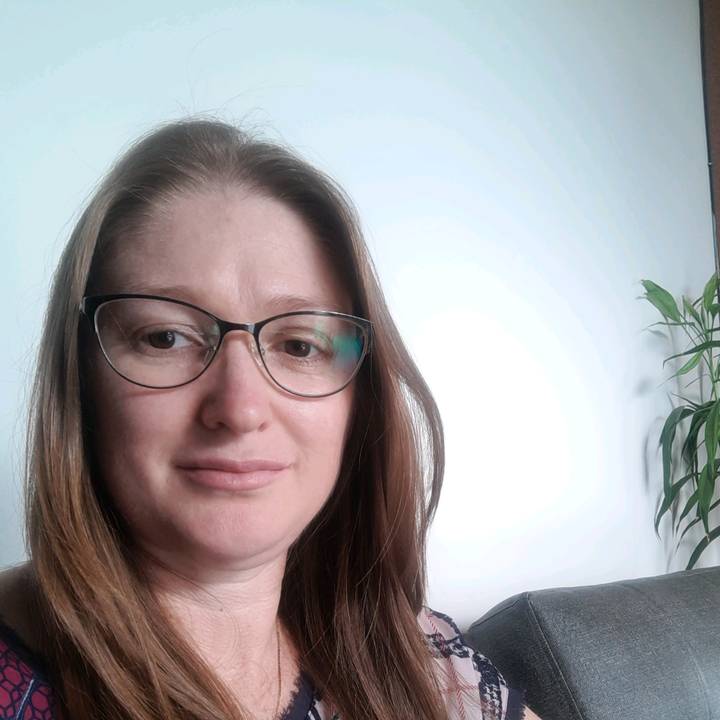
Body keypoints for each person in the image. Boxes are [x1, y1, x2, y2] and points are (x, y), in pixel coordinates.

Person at [0, 119, 541, 720]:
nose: (240, 409)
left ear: (359, 403)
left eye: (300, 345)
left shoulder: (409, 652)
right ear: (79, 378)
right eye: (164, 337)